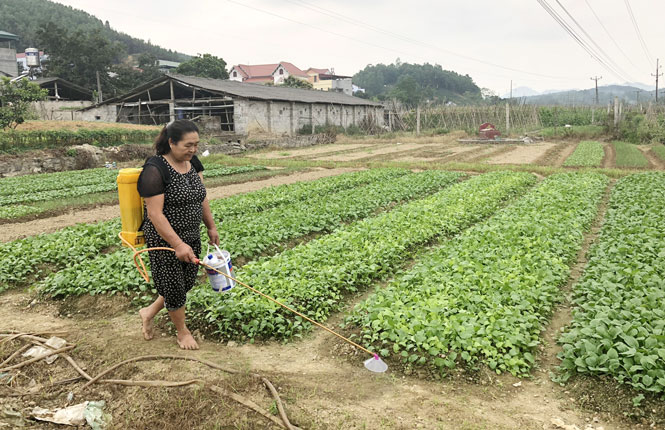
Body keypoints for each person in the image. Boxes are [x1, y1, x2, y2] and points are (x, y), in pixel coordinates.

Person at [136, 119, 219, 350]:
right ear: (172, 142)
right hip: (165, 239)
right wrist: (178, 244)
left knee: (185, 283)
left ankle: (148, 312)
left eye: (196, 144)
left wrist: (211, 226)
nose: (193, 149)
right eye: (188, 145)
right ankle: (182, 332)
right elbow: (155, 214)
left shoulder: (193, 163)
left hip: (191, 234)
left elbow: (201, 196)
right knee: (173, 287)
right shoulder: (155, 169)